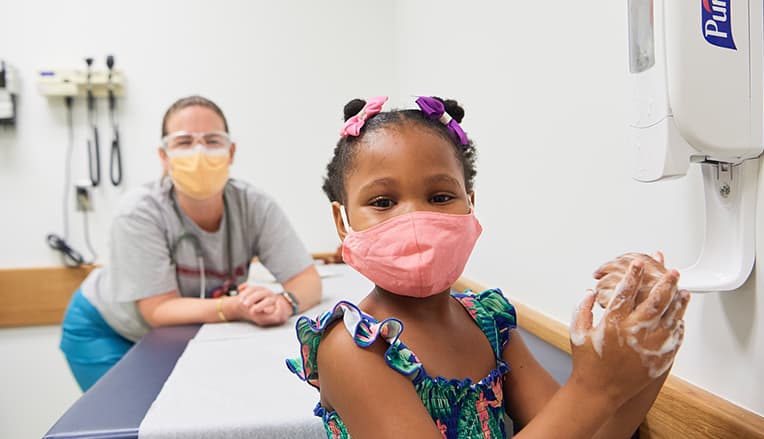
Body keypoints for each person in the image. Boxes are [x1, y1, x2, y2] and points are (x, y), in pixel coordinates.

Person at [286, 96, 690, 438]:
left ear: (470, 204)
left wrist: (650, 342)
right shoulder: (354, 349)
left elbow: (589, 431)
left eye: (440, 196)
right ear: (343, 222)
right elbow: (584, 406)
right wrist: (593, 385)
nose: (414, 219)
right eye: (383, 202)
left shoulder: (488, 325)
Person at [61, 95, 322, 391]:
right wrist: (235, 307)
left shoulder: (254, 206)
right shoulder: (139, 212)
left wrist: (284, 303)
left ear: (231, 151)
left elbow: (307, 280)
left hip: (180, 332)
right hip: (107, 328)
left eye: (212, 140)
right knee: (134, 424)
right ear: (164, 156)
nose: (199, 152)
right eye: (184, 142)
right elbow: (158, 310)